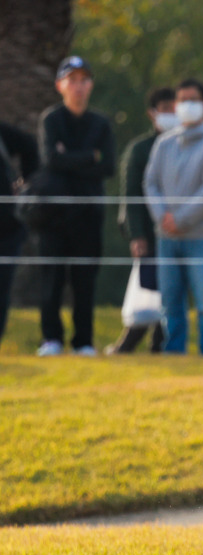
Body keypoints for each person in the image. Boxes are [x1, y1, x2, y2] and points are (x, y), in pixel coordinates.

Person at [35, 55, 116, 357]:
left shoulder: (101, 124)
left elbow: (107, 166)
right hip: (53, 215)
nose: (78, 86)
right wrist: (88, 157)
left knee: (84, 280)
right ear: (60, 85)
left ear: (90, 85)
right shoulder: (51, 120)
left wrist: (70, 157)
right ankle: (51, 339)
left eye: (83, 80)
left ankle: (83, 341)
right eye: (72, 80)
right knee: (52, 278)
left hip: (89, 213)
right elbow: (50, 161)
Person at [144, 78, 203, 356]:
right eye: (182, 100)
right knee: (170, 301)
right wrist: (163, 218)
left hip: (202, 237)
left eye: (193, 100)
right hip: (166, 238)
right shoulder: (164, 143)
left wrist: (179, 220)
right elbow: (151, 183)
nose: (186, 106)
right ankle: (173, 351)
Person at [108, 86, 176, 355]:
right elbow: (131, 197)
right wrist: (136, 234)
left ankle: (161, 345)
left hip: (179, 231)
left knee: (172, 292)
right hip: (150, 232)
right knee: (150, 289)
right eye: (166, 110)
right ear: (153, 113)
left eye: (175, 110)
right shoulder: (140, 149)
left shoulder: (186, 145)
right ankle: (131, 344)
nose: (172, 115)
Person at [0, 120, 39, 346]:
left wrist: (27, 187)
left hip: (6, 229)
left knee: (1, 288)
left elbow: (30, 146)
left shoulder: (4, 134)